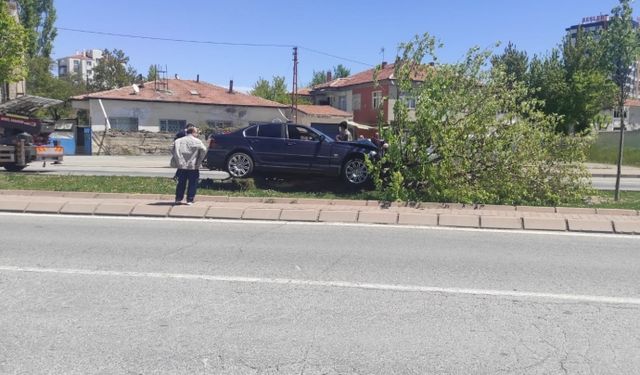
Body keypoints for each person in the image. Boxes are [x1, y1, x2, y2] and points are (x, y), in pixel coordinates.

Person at [171, 126, 207, 205]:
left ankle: (178, 199)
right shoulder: (198, 141)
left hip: (181, 166)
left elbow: (172, 149)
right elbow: (204, 150)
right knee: (192, 183)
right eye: (197, 132)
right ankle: (190, 200)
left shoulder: (178, 141)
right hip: (193, 166)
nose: (197, 134)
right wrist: (199, 161)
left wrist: (177, 159)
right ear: (193, 132)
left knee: (181, 183)